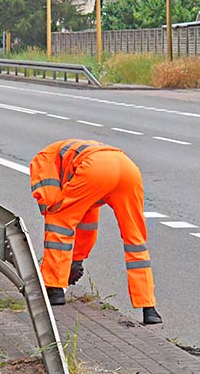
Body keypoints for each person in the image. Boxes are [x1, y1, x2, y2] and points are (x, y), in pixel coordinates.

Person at [29, 139, 162, 325]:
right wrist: (76, 260)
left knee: (58, 221)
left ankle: (54, 288)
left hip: (95, 169)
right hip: (128, 168)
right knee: (135, 240)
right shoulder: (69, 154)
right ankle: (149, 308)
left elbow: (51, 205)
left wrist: (65, 268)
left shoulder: (42, 159)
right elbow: (87, 225)